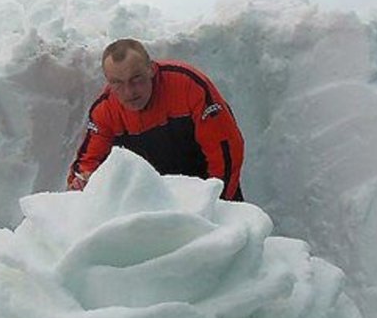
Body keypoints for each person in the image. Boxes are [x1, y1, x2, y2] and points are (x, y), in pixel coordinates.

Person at [68, 38, 245, 200]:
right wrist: (80, 187)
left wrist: (217, 205)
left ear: (151, 69)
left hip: (206, 187)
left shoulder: (189, 86)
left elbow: (225, 150)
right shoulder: (105, 111)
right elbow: (87, 164)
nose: (129, 92)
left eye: (136, 79)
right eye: (117, 83)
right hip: (153, 201)